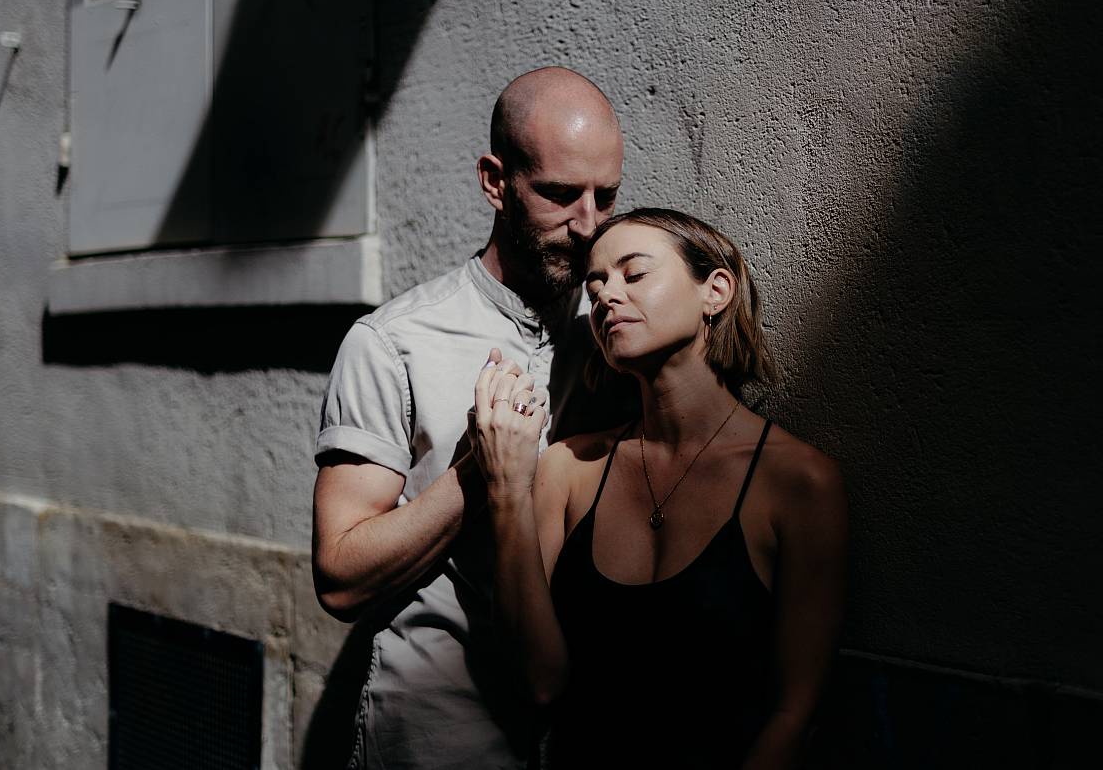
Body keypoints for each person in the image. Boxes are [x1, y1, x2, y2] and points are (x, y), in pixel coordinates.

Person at [311, 66, 627, 770]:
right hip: (444, 733)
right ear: (495, 182)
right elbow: (339, 575)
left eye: (605, 197)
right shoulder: (393, 343)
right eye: (558, 194)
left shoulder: (615, 329)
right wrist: (478, 472)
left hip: (586, 729)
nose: (588, 226)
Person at [473, 208, 847, 769]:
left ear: (715, 291)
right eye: (594, 285)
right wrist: (505, 487)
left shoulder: (799, 484)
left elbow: (796, 714)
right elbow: (540, 682)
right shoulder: (568, 469)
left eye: (634, 274)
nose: (605, 296)